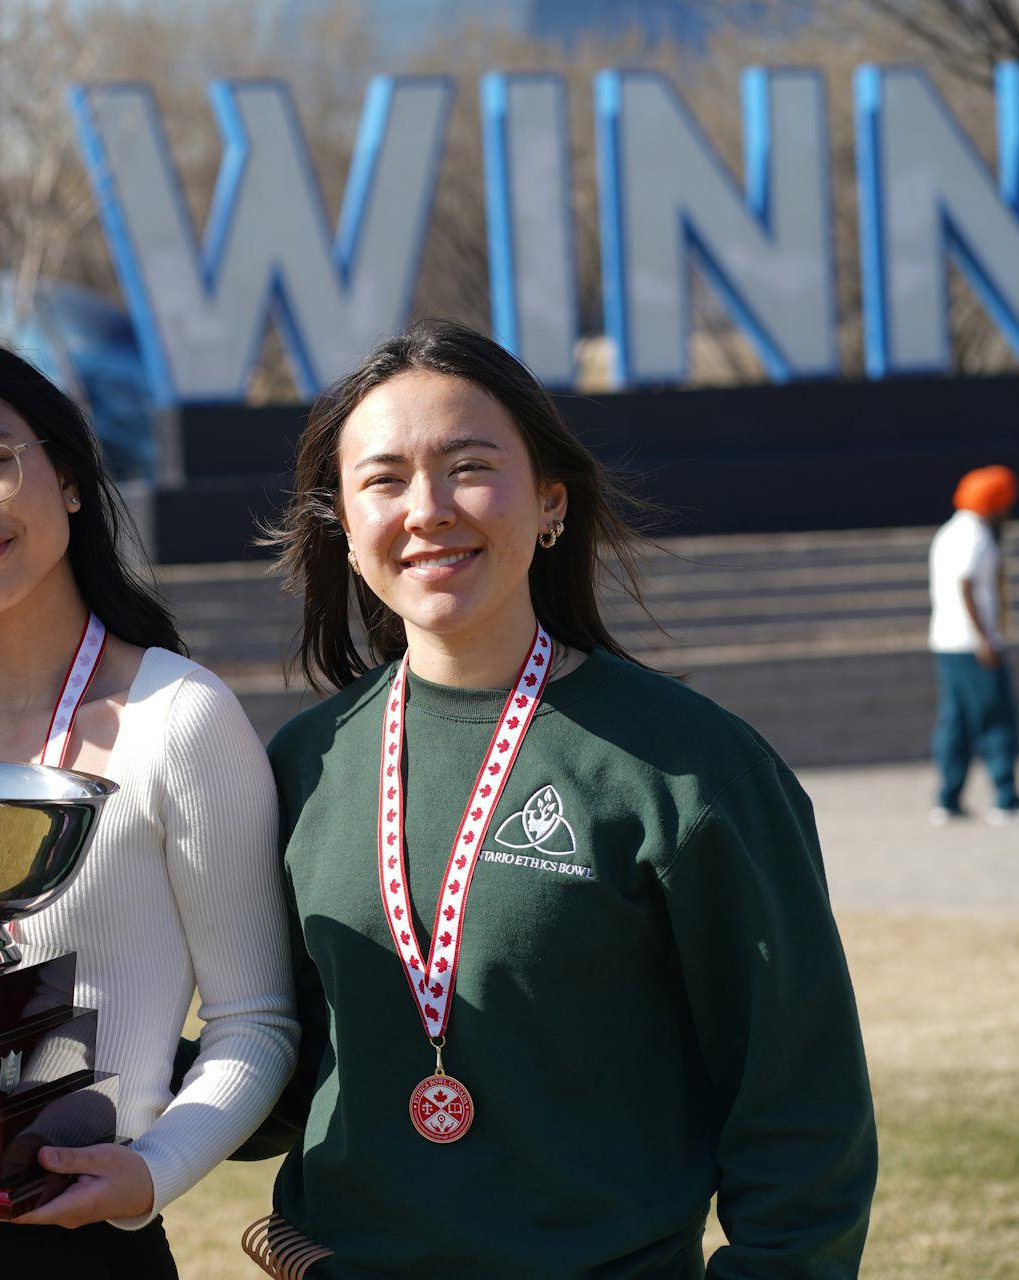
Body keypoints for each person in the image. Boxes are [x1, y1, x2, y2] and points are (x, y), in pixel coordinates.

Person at [249, 319, 876, 1278]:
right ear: (341, 518)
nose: (427, 510)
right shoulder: (305, 761)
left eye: (467, 466)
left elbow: (801, 1103)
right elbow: (290, 1062)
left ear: (550, 502)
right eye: (382, 478)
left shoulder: (690, 770)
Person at [0, 333, 297, 1278]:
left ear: (70, 477)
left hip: (83, 1239)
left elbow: (256, 1020)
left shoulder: (181, 717)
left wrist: (151, 1172)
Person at [928, 465, 1019, 826]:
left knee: (956, 722)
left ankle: (947, 800)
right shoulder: (975, 534)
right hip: (973, 644)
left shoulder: (950, 531)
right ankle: (1006, 799)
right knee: (996, 718)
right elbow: (966, 584)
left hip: (947, 641)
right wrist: (985, 638)